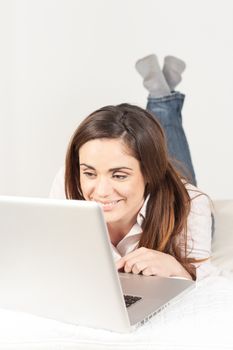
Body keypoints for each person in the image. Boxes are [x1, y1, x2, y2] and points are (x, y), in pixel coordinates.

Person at [50, 55, 213, 281]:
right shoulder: (67, 181)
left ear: (149, 173)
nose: (102, 191)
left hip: (174, 196)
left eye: (118, 175)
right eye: (89, 172)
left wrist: (177, 268)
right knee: (149, 142)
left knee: (175, 160)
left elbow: (209, 283)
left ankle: (161, 100)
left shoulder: (191, 205)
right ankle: (162, 95)